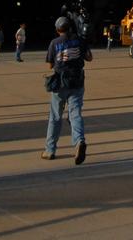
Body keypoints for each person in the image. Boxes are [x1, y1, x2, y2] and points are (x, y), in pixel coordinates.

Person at [43, 16, 92, 164]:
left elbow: (50, 65)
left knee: (55, 117)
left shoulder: (54, 43)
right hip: (77, 82)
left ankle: (50, 150)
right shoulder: (79, 40)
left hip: (60, 84)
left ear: (58, 29)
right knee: (75, 114)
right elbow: (89, 57)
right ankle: (79, 142)